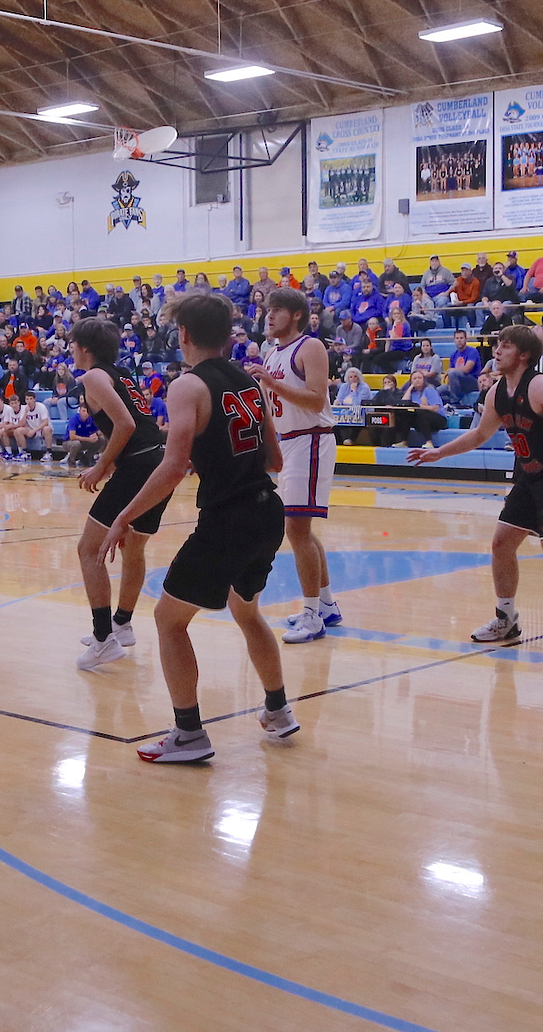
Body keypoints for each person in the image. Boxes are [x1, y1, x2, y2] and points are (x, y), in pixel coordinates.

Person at [100, 293, 297, 764]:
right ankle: (278, 710)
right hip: (267, 510)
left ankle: (188, 734)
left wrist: (123, 516)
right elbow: (274, 459)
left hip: (228, 518)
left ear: (183, 333)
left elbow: (174, 466)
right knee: (247, 611)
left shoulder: (187, 386)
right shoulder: (249, 382)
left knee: (168, 620)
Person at [409, 324, 543, 663]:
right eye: (497, 344)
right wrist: (439, 452)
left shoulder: (540, 385)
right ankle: (506, 619)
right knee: (502, 543)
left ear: (524, 355)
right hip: (529, 475)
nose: (497, 350)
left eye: (506, 346)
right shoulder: (496, 392)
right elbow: (479, 435)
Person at [67, 317, 172, 670]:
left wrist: (101, 467)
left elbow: (125, 424)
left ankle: (103, 640)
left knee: (88, 549)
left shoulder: (93, 377)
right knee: (133, 546)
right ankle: (122, 624)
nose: (70, 349)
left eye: (73, 344)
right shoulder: (122, 373)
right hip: (159, 460)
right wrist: (111, 463)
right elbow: (133, 426)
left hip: (140, 464)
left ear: (84, 348)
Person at [249, 288, 343, 645]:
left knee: (296, 528)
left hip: (311, 438)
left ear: (297, 315)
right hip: (287, 442)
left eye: (277, 310)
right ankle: (326, 605)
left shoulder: (310, 347)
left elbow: (317, 399)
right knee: (301, 528)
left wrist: (272, 383)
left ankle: (311, 614)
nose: (269, 316)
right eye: (267, 310)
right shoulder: (272, 353)